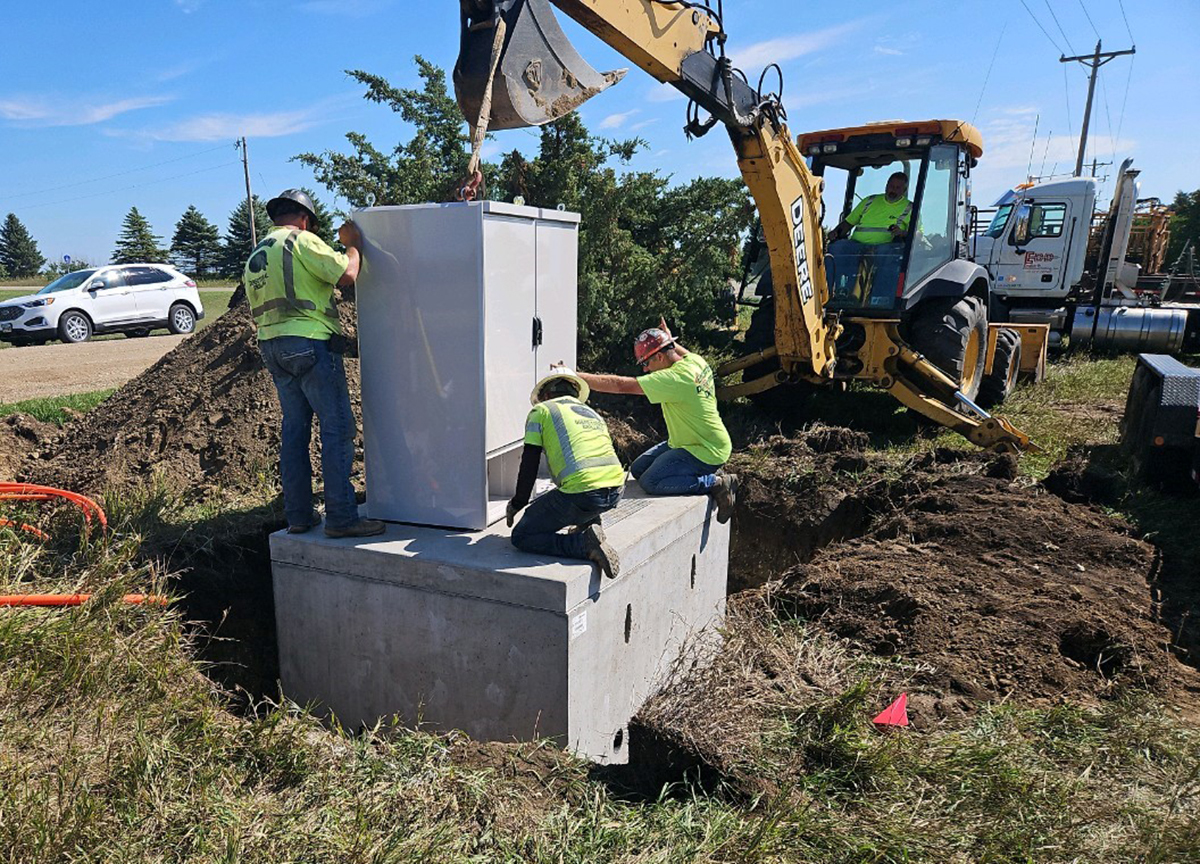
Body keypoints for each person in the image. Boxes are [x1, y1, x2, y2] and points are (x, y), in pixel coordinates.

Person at [244, 188, 383, 539]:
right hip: (309, 344)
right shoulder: (301, 241)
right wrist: (352, 243)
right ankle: (341, 517)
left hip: (272, 348)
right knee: (337, 428)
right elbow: (347, 273)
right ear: (305, 220)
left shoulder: (257, 254)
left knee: (294, 432)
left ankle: (300, 516)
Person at [576, 324, 737, 524]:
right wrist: (667, 338)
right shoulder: (694, 361)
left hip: (705, 449)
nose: (645, 369)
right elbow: (676, 349)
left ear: (660, 357)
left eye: (646, 362)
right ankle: (705, 473)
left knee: (651, 482)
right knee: (638, 469)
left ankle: (717, 482)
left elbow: (621, 385)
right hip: (689, 440)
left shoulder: (674, 378)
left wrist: (576, 377)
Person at [506, 367, 624, 579]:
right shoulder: (592, 413)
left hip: (584, 494)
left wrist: (517, 502)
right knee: (581, 494)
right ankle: (589, 521)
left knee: (522, 535)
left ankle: (583, 545)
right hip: (616, 491)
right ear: (574, 393)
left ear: (547, 395)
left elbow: (529, 464)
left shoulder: (541, 411)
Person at [827, 171, 912, 308]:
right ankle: (834, 294)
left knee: (889, 255)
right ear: (886, 185)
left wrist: (902, 232)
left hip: (885, 246)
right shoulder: (870, 201)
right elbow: (848, 223)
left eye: (897, 188)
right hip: (857, 245)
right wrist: (836, 232)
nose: (893, 190)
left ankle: (881, 299)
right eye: (891, 186)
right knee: (836, 248)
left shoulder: (909, 208)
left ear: (904, 190)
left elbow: (917, 233)